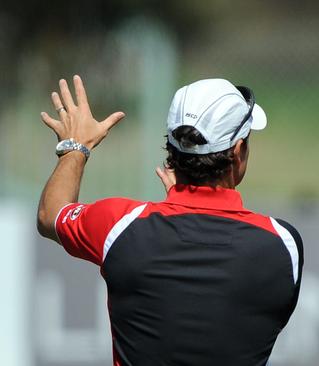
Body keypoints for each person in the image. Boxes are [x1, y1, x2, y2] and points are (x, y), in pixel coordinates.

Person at [37, 76, 304, 366]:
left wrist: (76, 147)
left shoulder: (120, 226)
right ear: (238, 152)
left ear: (172, 151)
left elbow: (51, 214)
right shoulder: (283, 246)